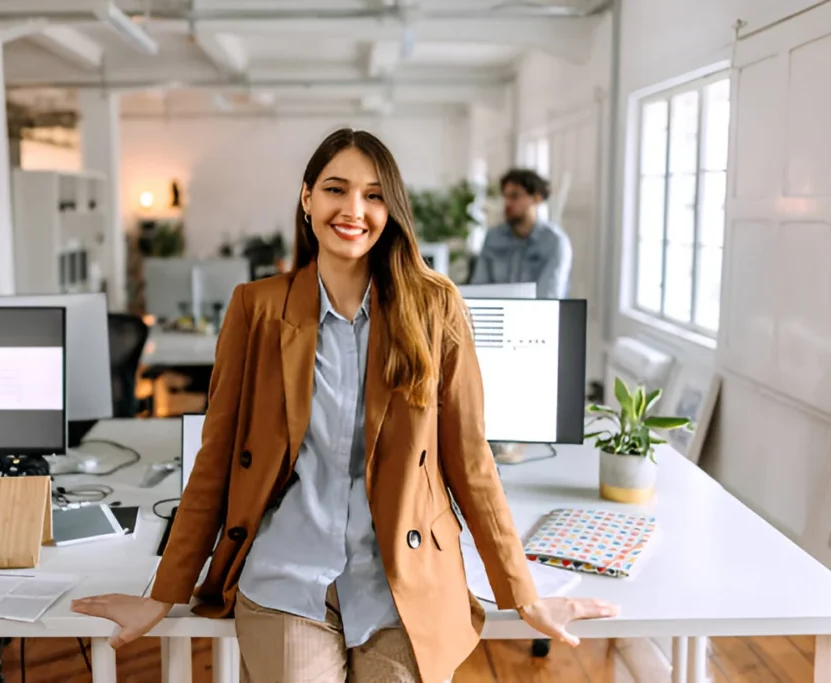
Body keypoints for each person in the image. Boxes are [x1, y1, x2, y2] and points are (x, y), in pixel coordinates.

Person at [71, 129, 616, 682]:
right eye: (336, 189)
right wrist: (163, 594)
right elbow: (216, 461)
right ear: (307, 199)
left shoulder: (435, 307)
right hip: (288, 578)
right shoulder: (256, 309)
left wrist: (524, 595)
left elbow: (471, 462)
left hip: (402, 581)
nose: (354, 209)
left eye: (374, 195)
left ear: (391, 209)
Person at [469, 168, 573, 299]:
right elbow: (479, 289)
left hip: (537, 317)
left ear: (536, 198)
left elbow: (549, 297)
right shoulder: (493, 238)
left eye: (514, 196)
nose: (507, 203)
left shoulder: (555, 242)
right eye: (505, 196)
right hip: (497, 316)